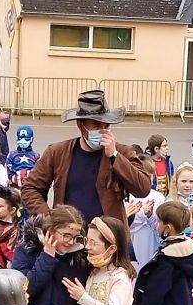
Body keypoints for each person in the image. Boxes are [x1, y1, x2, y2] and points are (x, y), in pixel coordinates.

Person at [22, 89, 152, 224]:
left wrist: (115, 156)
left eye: (106, 125)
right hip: (69, 234)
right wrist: (49, 219)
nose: (102, 130)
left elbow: (143, 188)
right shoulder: (57, 152)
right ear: (80, 125)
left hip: (108, 234)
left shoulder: (123, 152)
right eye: (96, 125)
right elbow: (30, 187)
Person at [11, 205, 88, 305]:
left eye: (75, 237)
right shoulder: (26, 250)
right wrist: (47, 257)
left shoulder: (78, 257)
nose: (70, 242)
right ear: (51, 230)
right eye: (66, 235)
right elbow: (24, 290)